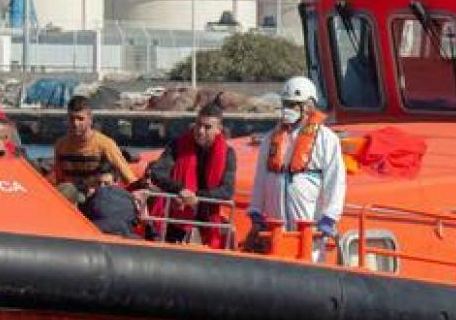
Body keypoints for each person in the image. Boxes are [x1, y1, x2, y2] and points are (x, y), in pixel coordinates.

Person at [248, 76, 347, 260]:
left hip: (309, 232)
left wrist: (329, 218)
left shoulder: (326, 140)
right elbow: (261, 178)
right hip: (275, 230)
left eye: (293, 105)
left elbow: (336, 182)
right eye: (285, 104)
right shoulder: (271, 140)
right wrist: (255, 210)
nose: (287, 110)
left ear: (308, 106)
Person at [144, 99, 238, 247]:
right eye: (199, 125)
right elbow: (157, 172)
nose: (201, 131)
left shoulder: (228, 154)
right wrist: (180, 189)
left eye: (207, 127)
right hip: (176, 215)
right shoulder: (177, 145)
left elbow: (227, 191)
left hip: (207, 215)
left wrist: (197, 196)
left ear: (218, 129)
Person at [51, 95, 139, 198]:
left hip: (96, 197)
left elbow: (128, 176)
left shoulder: (105, 144)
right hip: (70, 198)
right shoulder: (60, 145)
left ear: (90, 120)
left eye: (80, 119)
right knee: (66, 189)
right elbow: (59, 180)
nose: (75, 123)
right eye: (72, 119)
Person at [79, 166, 141, 236]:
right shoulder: (92, 199)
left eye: (107, 184)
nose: (102, 187)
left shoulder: (130, 199)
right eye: (99, 183)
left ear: (116, 182)